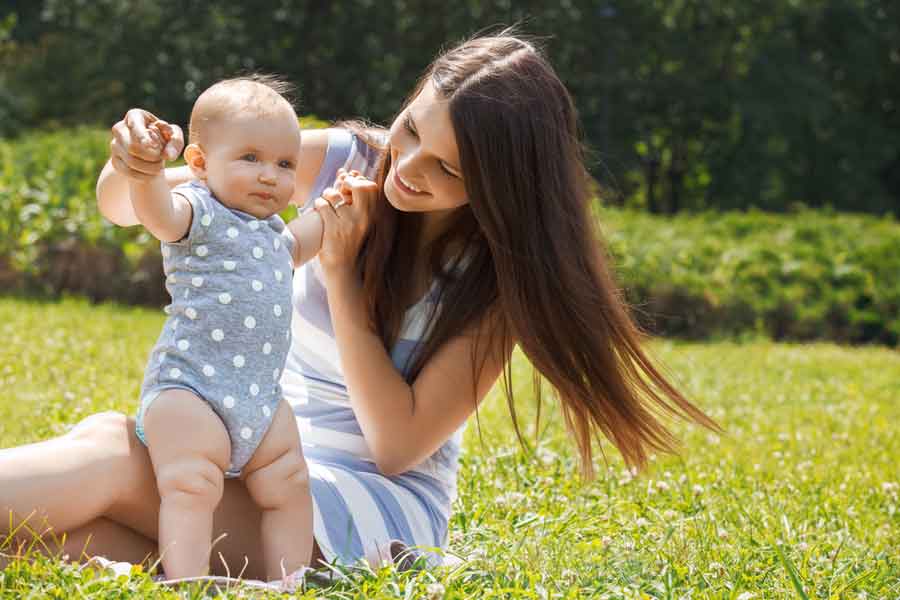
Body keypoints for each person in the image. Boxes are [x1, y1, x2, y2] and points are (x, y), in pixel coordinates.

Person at [0, 31, 722, 581]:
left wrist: (342, 280)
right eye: (411, 131)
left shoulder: (492, 285)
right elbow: (137, 209)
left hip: (354, 511)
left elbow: (397, 444)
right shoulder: (345, 160)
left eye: (447, 168)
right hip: (249, 455)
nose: (405, 170)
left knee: (113, 461)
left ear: (499, 186)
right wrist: (131, 166)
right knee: (58, 530)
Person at [116, 75, 344, 582]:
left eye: (285, 165)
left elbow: (303, 244)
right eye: (251, 158)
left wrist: (334, 208)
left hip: (261, 399)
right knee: (192, 485)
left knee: (289, 483)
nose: (270, 176)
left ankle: (289, 582)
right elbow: (155, 212)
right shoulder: (198, 211)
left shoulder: (273, 232)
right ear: (199, 164)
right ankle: (188, 580)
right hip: (192, 389)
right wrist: (148, 172)